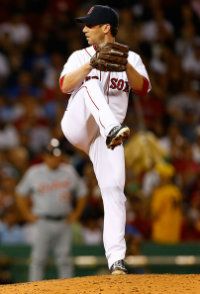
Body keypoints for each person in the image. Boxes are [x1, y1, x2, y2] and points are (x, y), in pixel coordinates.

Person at [59, 5, 151, 274]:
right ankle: (111, 127)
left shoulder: (130, 57)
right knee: (88, 83)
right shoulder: (80, 55)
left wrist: (124, 65)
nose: (85, 29)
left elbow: (143, 87)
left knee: (114, 192)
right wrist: (92, 63)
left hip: (107, 138)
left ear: (106, 27)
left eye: (90, 24)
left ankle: (116, 261)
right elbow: (64, 85)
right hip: (79, 125)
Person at [15, 138, 87, 281]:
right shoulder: (34, 172)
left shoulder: (69, 171)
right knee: (38, 259)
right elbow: (20, 193)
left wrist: (76, 214)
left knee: (64, 259)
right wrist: (27, 214)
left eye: (57, 155)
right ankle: (34, 290)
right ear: (45, 156)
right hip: (43, 221)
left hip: (63, 221)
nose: (55, 158)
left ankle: (67, 290)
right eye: (52, 155)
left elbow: (82, 193)